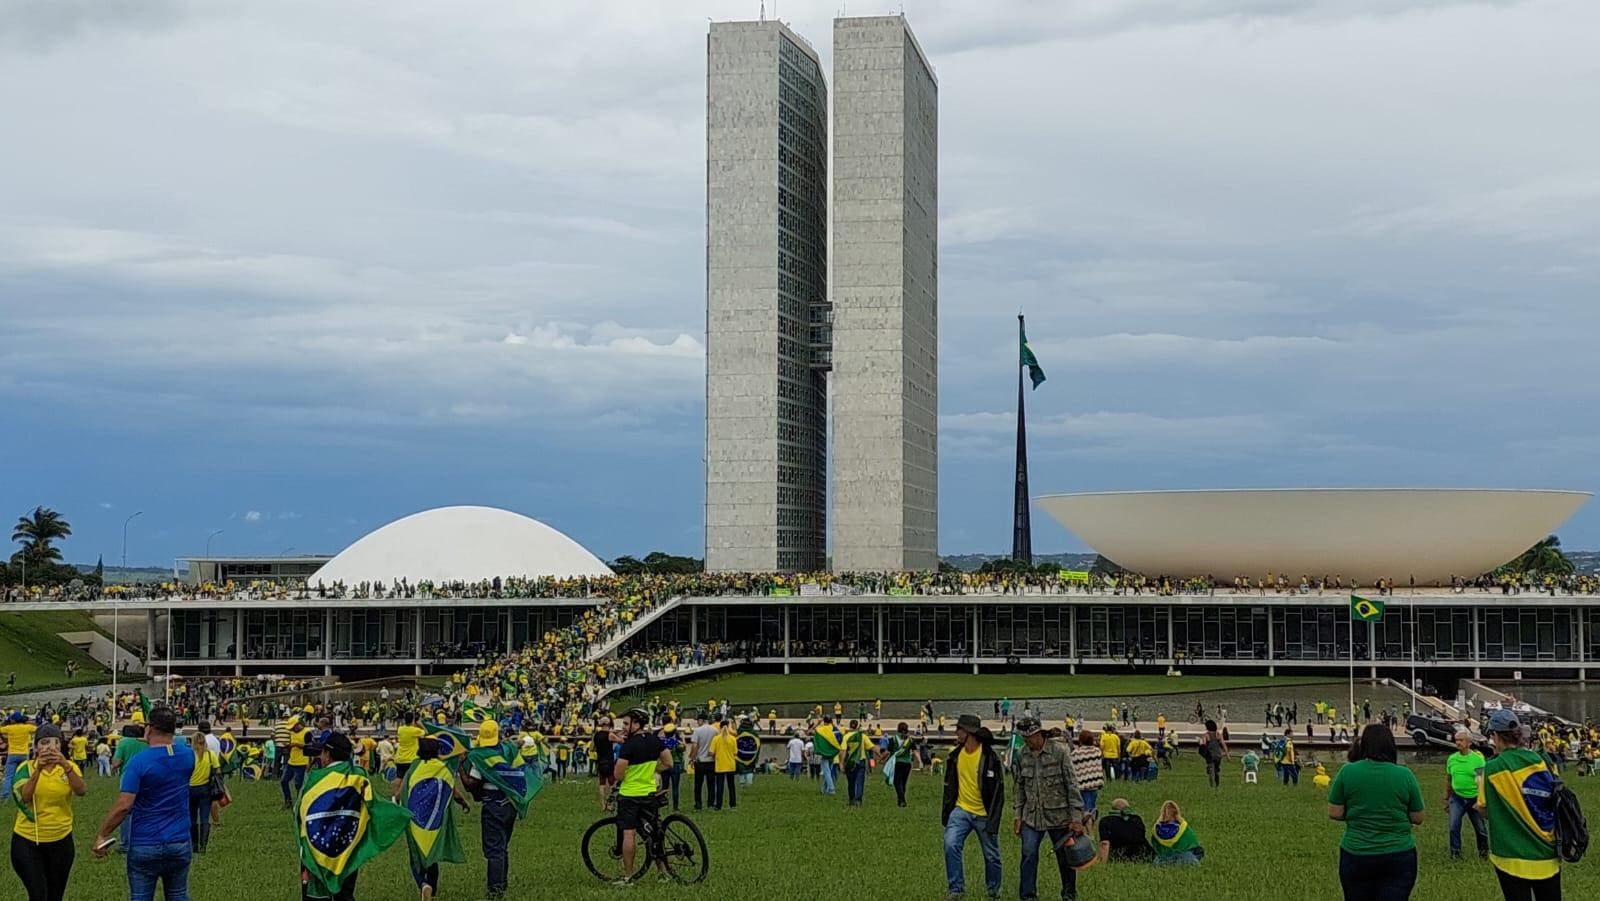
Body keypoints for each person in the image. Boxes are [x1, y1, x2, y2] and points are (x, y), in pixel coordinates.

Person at [93, 706, 196, 901]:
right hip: (179, 839)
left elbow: (124, 805)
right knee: (178, 894)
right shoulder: (187, 756)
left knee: (140, 896)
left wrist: (103, 834)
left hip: (146, 841)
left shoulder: (139, 762)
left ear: (150, 728)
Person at [1327, 723, 1424, 901]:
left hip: (1356, 853)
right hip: (1398, 853)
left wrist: (1359, 815)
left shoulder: (1347, 772)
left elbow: (1334, 812)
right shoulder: (1405, 775)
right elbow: (1418, 817)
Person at [1482, 709, 1562, 900]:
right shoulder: (1542, 760)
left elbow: (1482, 808)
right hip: (1546, 849)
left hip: (1510, 855)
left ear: (1495, 736)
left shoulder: (1492, 767)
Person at [1011, 716, 1085, 901]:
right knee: (1028, 854)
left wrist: (1076, 818)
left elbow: (1072, 785)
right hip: (1031, 815)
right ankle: (1028, 896)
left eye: (1031, 737)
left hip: (1059, 815)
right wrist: (1017, 815)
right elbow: (1019, 786)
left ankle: (1069, 894)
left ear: (1040, 734)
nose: (1028, 741)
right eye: (1025, 738)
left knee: (1065, 857)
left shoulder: (1059, 751)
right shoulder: (1021, 754)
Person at [10, 724, 87, 901]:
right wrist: (38, 770)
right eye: (44, 743)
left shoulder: (70, 767)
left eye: (55, 743)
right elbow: (26, 797)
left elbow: (81, 791)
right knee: (38, 895)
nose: (49, 748)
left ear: (60, 746)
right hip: (28, 840)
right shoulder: (26, 767)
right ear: (36, 747)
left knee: (55, 895)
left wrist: (65, 765)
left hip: (61, 840)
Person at [942, 713, 1004, 900]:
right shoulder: (955, 756)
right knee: (950, 844)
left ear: (968, 732)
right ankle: (956, 889)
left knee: (991, 854)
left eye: (959, 729)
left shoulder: (990, 757)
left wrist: (993, 818)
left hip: (984, 813)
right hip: (961, 810)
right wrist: (948, 811)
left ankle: (993, 890)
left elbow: (998, 791)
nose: (956, 732)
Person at [403, 737, 470, 901]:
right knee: (431, 853)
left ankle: (423, 885)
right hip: (435, 820)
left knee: (416, 855)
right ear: (437, 751)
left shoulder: (414, 767)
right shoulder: (443, 769)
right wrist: (463, 802)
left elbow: (404, 789)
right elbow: (452, 791)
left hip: (415, 819)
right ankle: (433, 891)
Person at [612, 707, 672, 884]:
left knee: (628, 834)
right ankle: (662, 872)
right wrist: (652, 769)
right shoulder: (655, 740)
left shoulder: (628, 745)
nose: (623, 727)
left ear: (636, 724)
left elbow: (618, 775)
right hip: (649, 793)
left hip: (630, 795)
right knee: (654, 833)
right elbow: (668, 763)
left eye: (626, 723)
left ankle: (628, 876)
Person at [461, 720, 516, 900]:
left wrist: (461, 766)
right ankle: (503, 883)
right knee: (503, 845)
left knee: (494, 850)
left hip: (493, 805)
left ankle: (495, 890)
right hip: (510, 803)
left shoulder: (481, 757)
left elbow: (471, 784)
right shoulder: (508, 750)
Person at [1443, 728, 1489, 860]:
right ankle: (1455, 854)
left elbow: (1481, 781)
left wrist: (1480, 801)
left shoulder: (1478, 760)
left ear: (1469, 742)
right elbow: (1449, 778)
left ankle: (1483, 853)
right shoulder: (1452, 759)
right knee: (1453, 826)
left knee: (1480, 829)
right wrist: (1446, 796)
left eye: (1461, 740)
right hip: (1457, 797)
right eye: (1456, 740)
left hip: (1474, 798)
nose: (1458, 743)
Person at [186, 724, 220, 853]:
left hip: (191, 788)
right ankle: (203, 846)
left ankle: (194, 845)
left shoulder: (190, 755)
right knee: (205, 817)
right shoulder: (210, 755)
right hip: (205, 789)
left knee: (192, 817)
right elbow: (217, 770)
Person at [1151, 800, 1204, 866]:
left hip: (1162, 859)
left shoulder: (1156, 829)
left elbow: (1155, 847)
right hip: (1185, 857)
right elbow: (1193, 844)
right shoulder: (1184, 827)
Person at [879, 722, 919, 807]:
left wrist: (881, 758)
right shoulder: (910, 740)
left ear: (898, 729)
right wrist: (920, 761)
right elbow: (915, 751)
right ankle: (901, 800)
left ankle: (902, 800)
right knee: (903, 783)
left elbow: (888, 752)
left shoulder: (893, 739)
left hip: (897, 763)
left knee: (897, 782)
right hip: (907, 764)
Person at [2, 713, 38, 803]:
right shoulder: (27, 727)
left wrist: (5, 723)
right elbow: (38, 728)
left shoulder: (9, 728)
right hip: (24, 754)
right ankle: (26, 794)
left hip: (12, 754)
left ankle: (5, 797)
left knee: (9, 776)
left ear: (13, 720)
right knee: (25, 775)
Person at [1070, 732, 1104, 819]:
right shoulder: (1097, 751)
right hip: (1095, 783)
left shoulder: (1076, 753)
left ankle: (1086, 826)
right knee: (1092, 806)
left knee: (1084, 809)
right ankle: (1091, 822)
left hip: (1082, 784)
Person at [688, 714, 717, 810]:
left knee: (698, 784)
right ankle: (711, 804)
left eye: (698, 720)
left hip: (700, 760)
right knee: (711, 784)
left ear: (702, 720)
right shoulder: (715, 730)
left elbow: (695, 746)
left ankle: (698, 804)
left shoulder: (697, 731)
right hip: (711, 761)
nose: (697, 722)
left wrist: (692, 757)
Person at [392, 712, 424, 797]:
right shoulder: (415, 730)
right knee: (409, 778)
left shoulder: (400, 729)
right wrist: (419, 724)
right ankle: (401, 794)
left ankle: (395, 794)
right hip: (411, 758)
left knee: (399, 777)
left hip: (400, 757)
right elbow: (425, 732)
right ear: (413, 720)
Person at [841, 719, 871, 806]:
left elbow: (843, 751)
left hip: (850, 762)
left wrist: (841, 763)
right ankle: (858, 799)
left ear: (850, 726)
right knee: (860, 781)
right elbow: (871, 746)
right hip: (861, 760)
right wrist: (880, 755)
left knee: (851, 782)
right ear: (857, 726)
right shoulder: (862, 736)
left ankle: (851, 799)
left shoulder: (846, 737)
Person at [709, 718, 737, 809]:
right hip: (731, 765)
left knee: (720, 786)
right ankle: (733, 804)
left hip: (720, 765)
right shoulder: (733, 739)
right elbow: (735, 753)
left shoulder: (716, 739)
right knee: (731, 786)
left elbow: (711, 752)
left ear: (719, 727)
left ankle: (718, 805)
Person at [593, 716, 617, 810]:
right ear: (608, 724)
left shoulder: (596, 735)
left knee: (602, 784)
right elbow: (621, 741)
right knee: (612, 783)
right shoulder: (610, 735)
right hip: (609, 761)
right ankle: (610, 804)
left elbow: (592, 748)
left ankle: (603, 805)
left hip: (600, 761)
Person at [1198, 719, 1227, 789]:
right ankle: (1217, 785)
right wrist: (1227, 754)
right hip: (1218, 755)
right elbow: (1223, 744)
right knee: (1216, 771)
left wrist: (1199, 742)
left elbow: (1204, 744)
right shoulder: (1218, 734)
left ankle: (1212, 786)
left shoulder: (1206, 735)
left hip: (1210, 755)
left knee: (1211, 771)